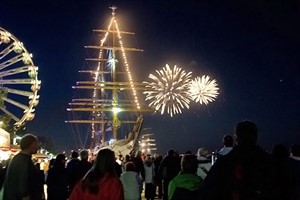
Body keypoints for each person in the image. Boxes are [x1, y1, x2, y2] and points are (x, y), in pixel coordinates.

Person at [202, 120, 275, 200]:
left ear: (236, 137)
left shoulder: (223, 163)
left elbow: (207, 191)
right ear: (256, 136)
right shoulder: (270, 162)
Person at [3, 134, 41, 200]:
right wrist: (25, 195)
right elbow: (23, 181)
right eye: (36, 143)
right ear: (31, 144)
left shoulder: (18, 158)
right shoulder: (24, 160)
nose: (38, 146)